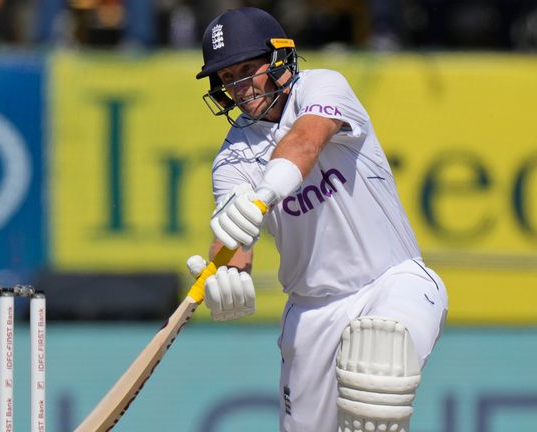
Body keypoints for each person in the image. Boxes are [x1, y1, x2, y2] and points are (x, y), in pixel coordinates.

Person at [185, 7, 448, 432]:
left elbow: (306, 139)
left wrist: (265, 193)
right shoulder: (231, 159)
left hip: (393, 282)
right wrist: (225, 275)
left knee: (378, 371)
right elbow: (234, 235)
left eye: (248, 68)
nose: (240, 87)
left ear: (278, 60)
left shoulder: (323, 86)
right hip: (311, 315)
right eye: (228, 77)